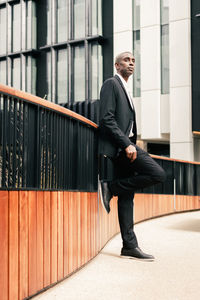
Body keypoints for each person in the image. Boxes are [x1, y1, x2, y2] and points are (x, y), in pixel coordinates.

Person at [98, 51, 166, 261]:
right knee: (158, 174)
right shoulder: (112, 84)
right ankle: (111, 188)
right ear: (117, 65)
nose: (131, 63)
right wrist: (127, 144)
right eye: (126, 60)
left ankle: (129, 246)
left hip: (126, 148)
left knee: (128, 199)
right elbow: (106, 118)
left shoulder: (126, 88)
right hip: (119, 148)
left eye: (133, 60)